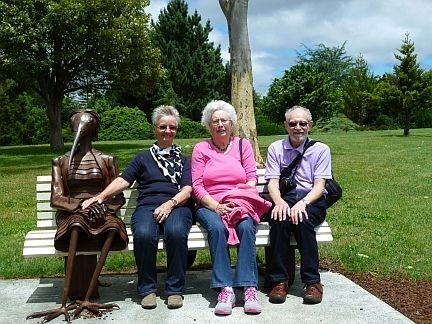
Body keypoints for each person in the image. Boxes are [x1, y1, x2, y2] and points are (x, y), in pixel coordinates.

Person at [82, 105, 193, 310]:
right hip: (147, 206)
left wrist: (170, 204)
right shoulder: (143, 158)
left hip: (177, 205)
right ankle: (147, 289)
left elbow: (187, 190)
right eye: (162, 127)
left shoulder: (184, 161)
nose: (167, 131)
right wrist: (100, 197)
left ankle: (175, 290)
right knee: (143, 234)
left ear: (176, 130)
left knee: (176, 232)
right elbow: (123, 180)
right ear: (154, 129)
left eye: (172, 127)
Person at [27, 109, 129, 323]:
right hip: (73, 212)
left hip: (101, 212)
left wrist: (103, 205)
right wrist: (81, 204)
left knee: (112, 228)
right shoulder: (61, 162)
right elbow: (56, 198)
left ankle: (88, 296)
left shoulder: (107, 160)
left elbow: (117, 197)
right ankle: (64, 301)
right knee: (75, 225)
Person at [191, 100, 272, 315]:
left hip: (241, 200)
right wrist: (216, 206)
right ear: (209, 125)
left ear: (231, 123)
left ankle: (249, 287)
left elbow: (252, 177)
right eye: (215, 121)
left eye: (224, 120)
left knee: (246, 227)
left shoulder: (242, 145)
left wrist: (242, 198)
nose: (220, 125)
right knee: (217, 229)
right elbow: (197, 186)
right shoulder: (201, 148)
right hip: (210, 204)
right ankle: (225, 289)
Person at [265, 105, 332, 305]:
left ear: (310, 125)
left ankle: (312, 282)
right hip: (284, 198)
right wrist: (278, 202)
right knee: (278, 219)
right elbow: (272, 182)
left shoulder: (321, 150)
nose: (298, 127)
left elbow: (320, 186)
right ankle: (279, 281)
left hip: (311, 199)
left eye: (303, 123)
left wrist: (302, 203)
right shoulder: (275, 148)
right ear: (286, 126)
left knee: (303, 220)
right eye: (293, 123)